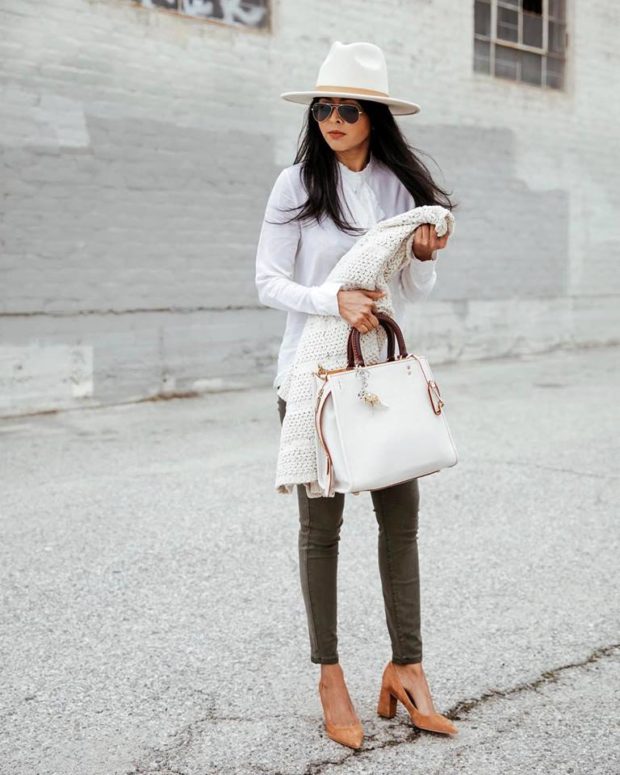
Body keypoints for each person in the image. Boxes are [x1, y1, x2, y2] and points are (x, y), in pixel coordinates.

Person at [255, 41, 459, 750]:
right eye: (323, 108)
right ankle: (330, 675)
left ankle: (408, 667)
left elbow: (412, 288)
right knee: (322, 531)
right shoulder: (296, 184)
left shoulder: (400, 189)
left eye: (347, 108)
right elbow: (267, 280)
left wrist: (423, 257)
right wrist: (331, 298)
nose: (333, 119)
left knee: (401, 524)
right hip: (311, 379)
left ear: (374, 117)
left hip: (378, 376)